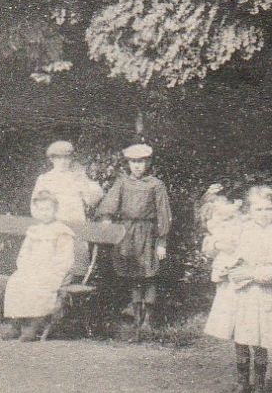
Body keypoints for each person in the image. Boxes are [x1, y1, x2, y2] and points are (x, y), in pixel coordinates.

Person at [203, 185, 272, 393]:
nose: (264, 214)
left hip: (259, 293)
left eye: (269, 209)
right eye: (259, 209)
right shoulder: (240, 229)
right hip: (238, 293)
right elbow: (221, 248)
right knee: (240, 336)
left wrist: (251, 274)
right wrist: (224, 266)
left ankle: (260, 385)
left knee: (257, 338)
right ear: (249, 211)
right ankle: (243, 382)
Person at [98, 143, 173, 339]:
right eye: (134, 162)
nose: (138, 166)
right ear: (128, 163)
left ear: (148, 162)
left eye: (142, 162)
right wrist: (107, 219)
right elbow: (110, 204)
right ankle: (135, 316)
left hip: (148, 233)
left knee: (149, 275)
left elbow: (163, 214)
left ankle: (148, 318)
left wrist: (162, 241)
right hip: (127, 233)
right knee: (133, 275)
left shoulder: (156, 185)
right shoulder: (123, 182)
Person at [1, 192, 76, 342]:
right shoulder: (34, 231)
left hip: (54, 271)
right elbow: (24, 253)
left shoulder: (61, 231)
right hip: (32, 269)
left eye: (48, 209)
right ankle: (16, 324)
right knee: (16, 281)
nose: (44, 213)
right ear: (36, 211)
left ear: (55, 210)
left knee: (38, 284)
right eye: (41, 209)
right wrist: (25, 267)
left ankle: (32, 326)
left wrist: (50, 270)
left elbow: (65, 259)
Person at [30, 140, 102, 286]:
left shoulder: (77, 177)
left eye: (66, 158)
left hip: (74, 228)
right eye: (58, 158)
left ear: (71, 159)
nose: (62, 162)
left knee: (74, 269)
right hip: (52, 229)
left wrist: (87, 183)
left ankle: (69, 304)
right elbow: (34, 208)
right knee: (50, 269)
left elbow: (92, 200)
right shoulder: (45, 179)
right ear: (52, 159)